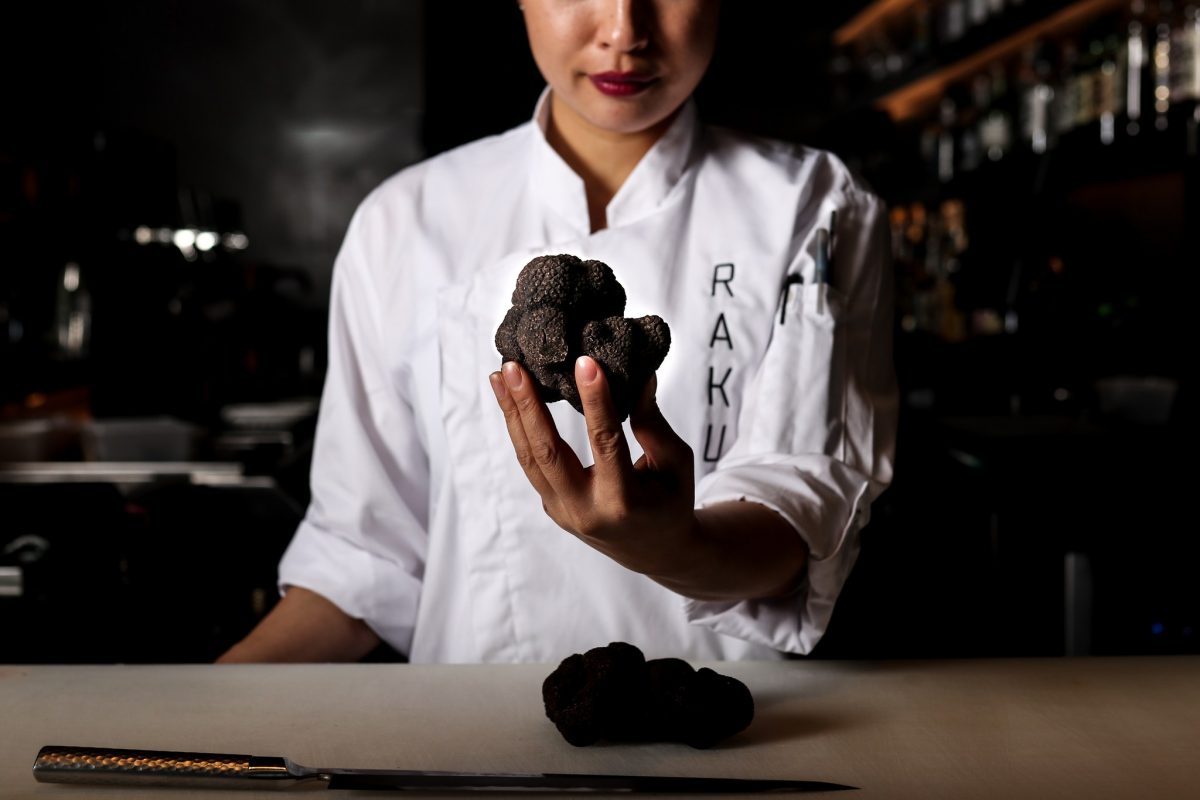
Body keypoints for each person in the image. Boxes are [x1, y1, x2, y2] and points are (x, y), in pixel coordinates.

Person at [219, 0, 896, 665]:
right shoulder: (403, 220)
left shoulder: (815, 205)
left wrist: (677, 549)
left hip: (725, 744)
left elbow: (805, 514)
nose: (624, 31)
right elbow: (364, 560)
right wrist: (193, 711)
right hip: (468, 751)